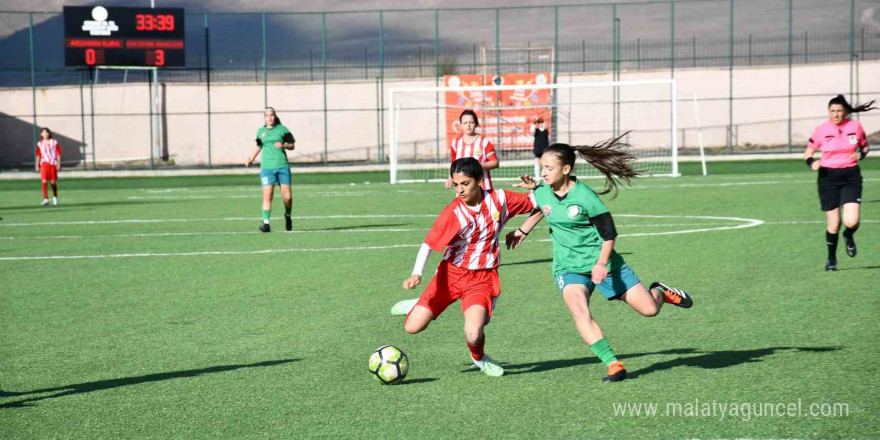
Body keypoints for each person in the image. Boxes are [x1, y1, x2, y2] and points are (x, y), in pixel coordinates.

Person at [505, 135, 693, 383]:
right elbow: (543, 207)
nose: (544, 172)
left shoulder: (586, 197)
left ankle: (659, 291)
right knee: (579, 311)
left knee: (649, 310)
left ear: (567, 169)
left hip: (604, 264)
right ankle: (613, 364)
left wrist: (601, 263)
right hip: (568, 267)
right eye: (542, 167)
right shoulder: (543, 191)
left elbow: (609, 234)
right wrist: (522, 231)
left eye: (549, 168)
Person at [397, 157, 537, 377]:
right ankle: (420, 302)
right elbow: (429, 244)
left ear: (480, 180)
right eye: (455, 184)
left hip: (481, 279)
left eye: (465, 184)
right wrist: (416, 273)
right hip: (450, 276)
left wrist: (534, 194)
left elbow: (539, 203)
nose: (459, 190)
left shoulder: (500, 199)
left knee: (473, 333)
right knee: (412, 327)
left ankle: (479, 358)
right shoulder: (453, 213)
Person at [804, 95, 874, 271]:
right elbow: (808, 152)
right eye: (832, 111)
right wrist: (812, 162)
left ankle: (848, 235)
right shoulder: (821, 129)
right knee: (834, 223)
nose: (835, 115)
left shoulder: (855, 127)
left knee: (851, 221)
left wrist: (862, 154)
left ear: (846, 112)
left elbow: (865, 146)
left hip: (850, 176)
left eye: (839, 111)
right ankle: (831, 259)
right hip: (828, 178)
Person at [246, 107, 296, 232]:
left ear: (275, 116)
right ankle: (266, 224)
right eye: (267, 115)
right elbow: (259, 146)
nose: (270, 117)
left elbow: (292, 145)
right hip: (267, 168)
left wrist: (284, 145)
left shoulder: (283, 129)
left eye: (272, 115)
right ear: (264, 118)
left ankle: (288, 215)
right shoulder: (260, 131)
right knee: (268, 196)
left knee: (288, 198)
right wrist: (251, 159)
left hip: (282, 166)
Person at [446, 110, 499, 191]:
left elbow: (495, 162)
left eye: (471, 122)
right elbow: (453, 163)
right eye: (465, 123)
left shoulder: (484, 142)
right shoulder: (455, 143)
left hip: (483, 188)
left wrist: (474, 166)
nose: (468, 125)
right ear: (461, 125)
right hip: (463, 190)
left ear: (476, 124)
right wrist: (450, 177)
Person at [35, 128, 61, 206]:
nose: (45, 134)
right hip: (44, 164)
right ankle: (46, 199)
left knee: (53, 182)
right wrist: (37, 165)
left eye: (47, 132)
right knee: (44, 181)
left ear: (49, 133)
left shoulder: (54, 142)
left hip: (53, 164)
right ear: (41, 134)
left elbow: (58, 153)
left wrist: (59, 164)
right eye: (43, 132)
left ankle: (55, 197)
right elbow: (38, 155)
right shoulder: (40, 143)